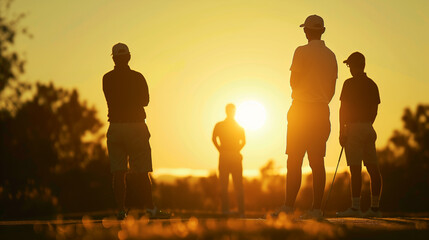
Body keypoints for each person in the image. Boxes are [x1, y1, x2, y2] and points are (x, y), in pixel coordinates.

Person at [273, 15, 338, 219]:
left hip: (301, 109)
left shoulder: (300, 51)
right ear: (323, 31)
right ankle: (316, 209)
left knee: (294, 160)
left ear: (307, 31)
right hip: (321, 110)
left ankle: (289, 206)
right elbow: (332, 89)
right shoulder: (331, 56)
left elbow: (293, 82)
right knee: (317, 161)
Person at [103, 43, 169, 219]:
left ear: (114, 58)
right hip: (136, 125)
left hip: (115, 126)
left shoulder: (107, 78)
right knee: (141, 171)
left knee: (118, 172)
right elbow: (145, 101)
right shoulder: (138, 77)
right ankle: (150, 209)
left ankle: (121, 211)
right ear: (129, 57)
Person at [336, 52, 382, 218]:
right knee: (373, 168)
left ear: (354, 66)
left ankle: (355, 208)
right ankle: (375, 208)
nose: (348, 69)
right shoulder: (372, 84)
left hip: (354, 128)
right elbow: (375, 110)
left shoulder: (349, 84)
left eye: (349, 65)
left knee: (355, 169)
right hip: (369, 127)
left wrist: (342, 131)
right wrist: (367, 123)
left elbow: (343, 110)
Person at [212, 103, 246, 217]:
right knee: (225, 184)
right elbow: (214, 138)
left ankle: (239, 211)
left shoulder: (237, 126)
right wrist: (221, 150)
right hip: (228, 155)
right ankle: (227, 210)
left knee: (236, 185)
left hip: (231, 155)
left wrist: (225, 150)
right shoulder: (224, 125)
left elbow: (244, 141)